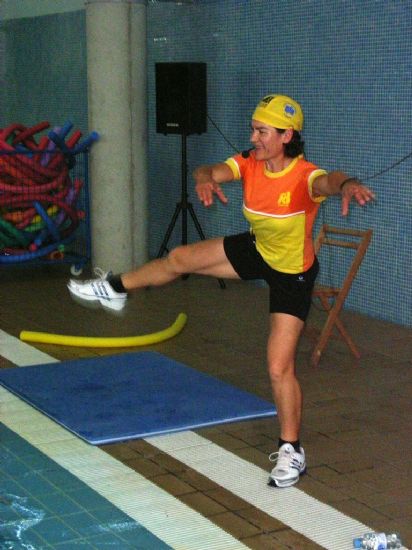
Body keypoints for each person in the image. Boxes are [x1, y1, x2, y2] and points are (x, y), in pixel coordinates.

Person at [68, 94, 375, 487]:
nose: (254, 136)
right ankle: (114, 288)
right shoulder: (249, 163)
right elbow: (209, 169)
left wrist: (347, 184)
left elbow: (329, 181)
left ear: (286, 135)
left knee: (278, 366)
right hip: (257, 249)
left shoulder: (304, 177)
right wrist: (204, 180)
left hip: (291, 274)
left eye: (262, 131)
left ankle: (291, 449)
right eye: (253, 128)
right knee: (180, 258)